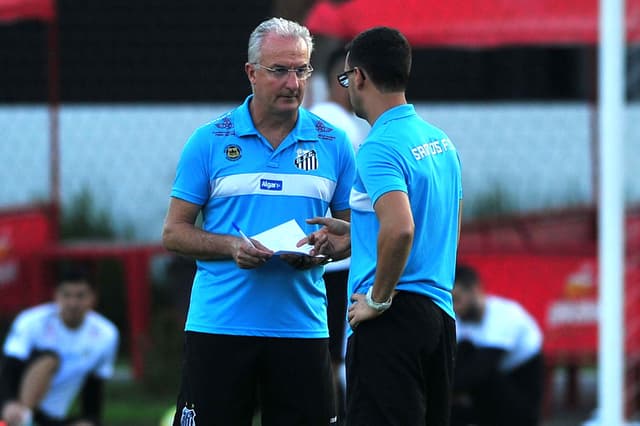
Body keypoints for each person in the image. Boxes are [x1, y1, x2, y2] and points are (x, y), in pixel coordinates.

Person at [161, 17, 356, 426]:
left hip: (301, 327)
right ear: (252, 72)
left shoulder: (334, 142)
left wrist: (330, 246)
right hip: (221, 326)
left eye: (301, 70)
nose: (293, 83)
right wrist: (232, 247)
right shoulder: (210, 140)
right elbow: (174, 232)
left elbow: (351, 232)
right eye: (279, 70)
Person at [303, 26, 463, 426]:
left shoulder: (379, 147)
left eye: (345, 78)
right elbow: (435, 227)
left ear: (358, 77)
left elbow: (402, 228)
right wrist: (358, 235)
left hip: (391, 320)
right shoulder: (439, 141)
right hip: (439, 318)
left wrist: (377, 298)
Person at [309, 46, 369, 420]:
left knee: (329, 351)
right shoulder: (342, 128)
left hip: (319, 254)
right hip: (339, 257)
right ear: (341, 80)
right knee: (336, 354)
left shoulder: (316, 121)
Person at [0, 264, 119, 426]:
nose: (72, 303)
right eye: (67, 295)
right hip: (15, 407)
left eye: (80, 296)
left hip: (52, 417)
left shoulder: (106, 334)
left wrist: (91, 420)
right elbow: (9, 368)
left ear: (93, 298)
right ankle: (23, 419)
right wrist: (8, 403)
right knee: (50, 359)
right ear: (56, 295)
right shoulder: (31, 321)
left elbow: (94, 388)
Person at [451, 264, 544, 426]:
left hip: (521, 398)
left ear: (474, 290)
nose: (455, 308)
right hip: (492, 393)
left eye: (457, 300)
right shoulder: (461, 320)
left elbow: (479, 371)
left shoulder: (505, 315)